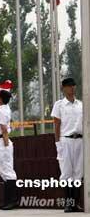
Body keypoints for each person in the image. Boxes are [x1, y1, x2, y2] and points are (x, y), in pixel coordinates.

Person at [51, 78, 83, 213]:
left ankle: (76, 203)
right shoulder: (59, 105)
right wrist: (57, 143)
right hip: (66, 140)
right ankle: (68, 204)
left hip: (80, 140)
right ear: (63, 88)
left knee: (78, 173)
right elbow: (57, 125)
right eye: (69, 86)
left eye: (74, 85)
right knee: (66, 173)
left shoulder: (81, 104)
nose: (72, 88)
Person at [0, 90, 19, 210]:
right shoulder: (3, 109)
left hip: (2, 141)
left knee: (7, 171)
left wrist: (6, 144)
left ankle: (12, 201)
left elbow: (3, 129)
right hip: (1, 141)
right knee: (4, 172)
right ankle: (7, 201)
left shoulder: (2, 111)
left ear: (0, 98)